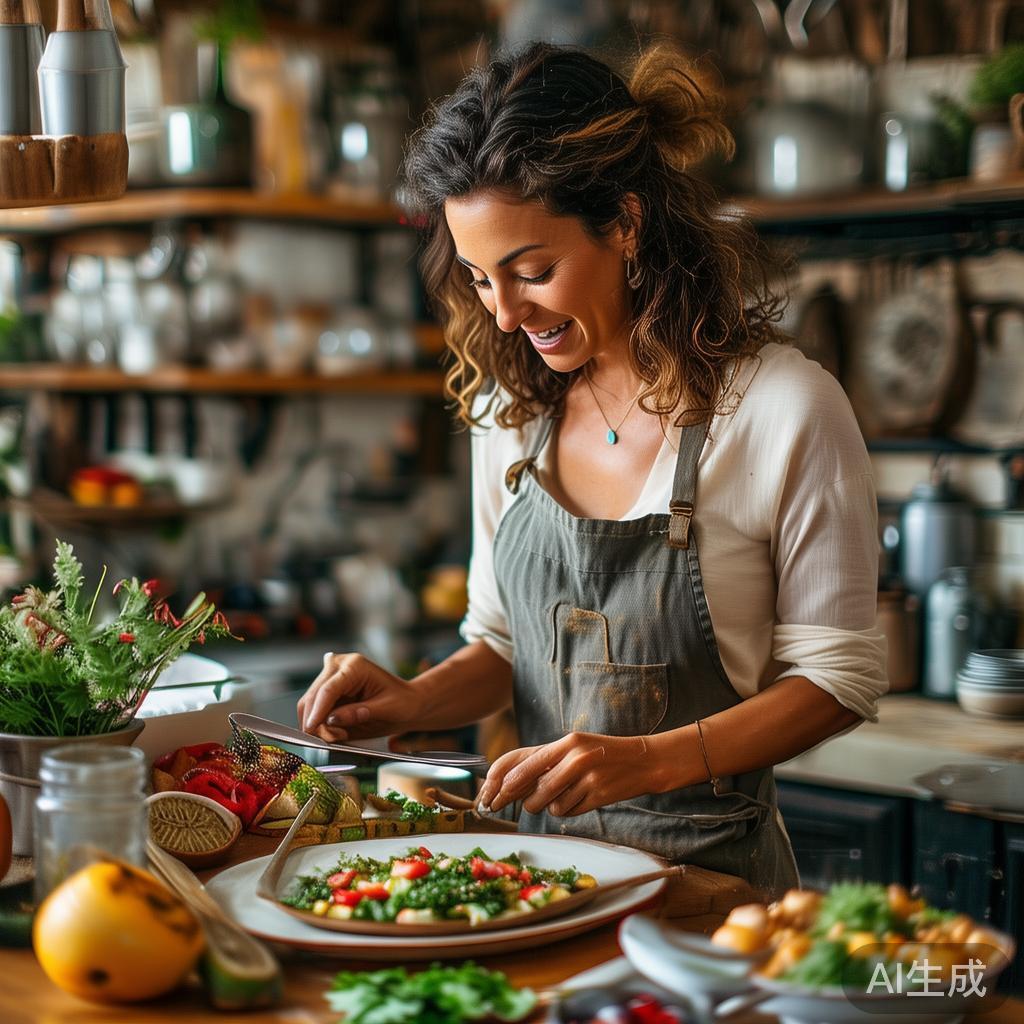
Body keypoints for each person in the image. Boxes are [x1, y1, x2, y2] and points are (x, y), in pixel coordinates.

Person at [298, 42, 888, 898]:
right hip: (533, 887)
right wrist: (411, 702)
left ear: (625, 223)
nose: (502, 314)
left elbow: (839, 681)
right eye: (478, 278)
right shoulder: (512, 413)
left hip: (711, 898)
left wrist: (647, 761)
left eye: (533, 271)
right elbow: (504, 647)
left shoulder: (782, 408)